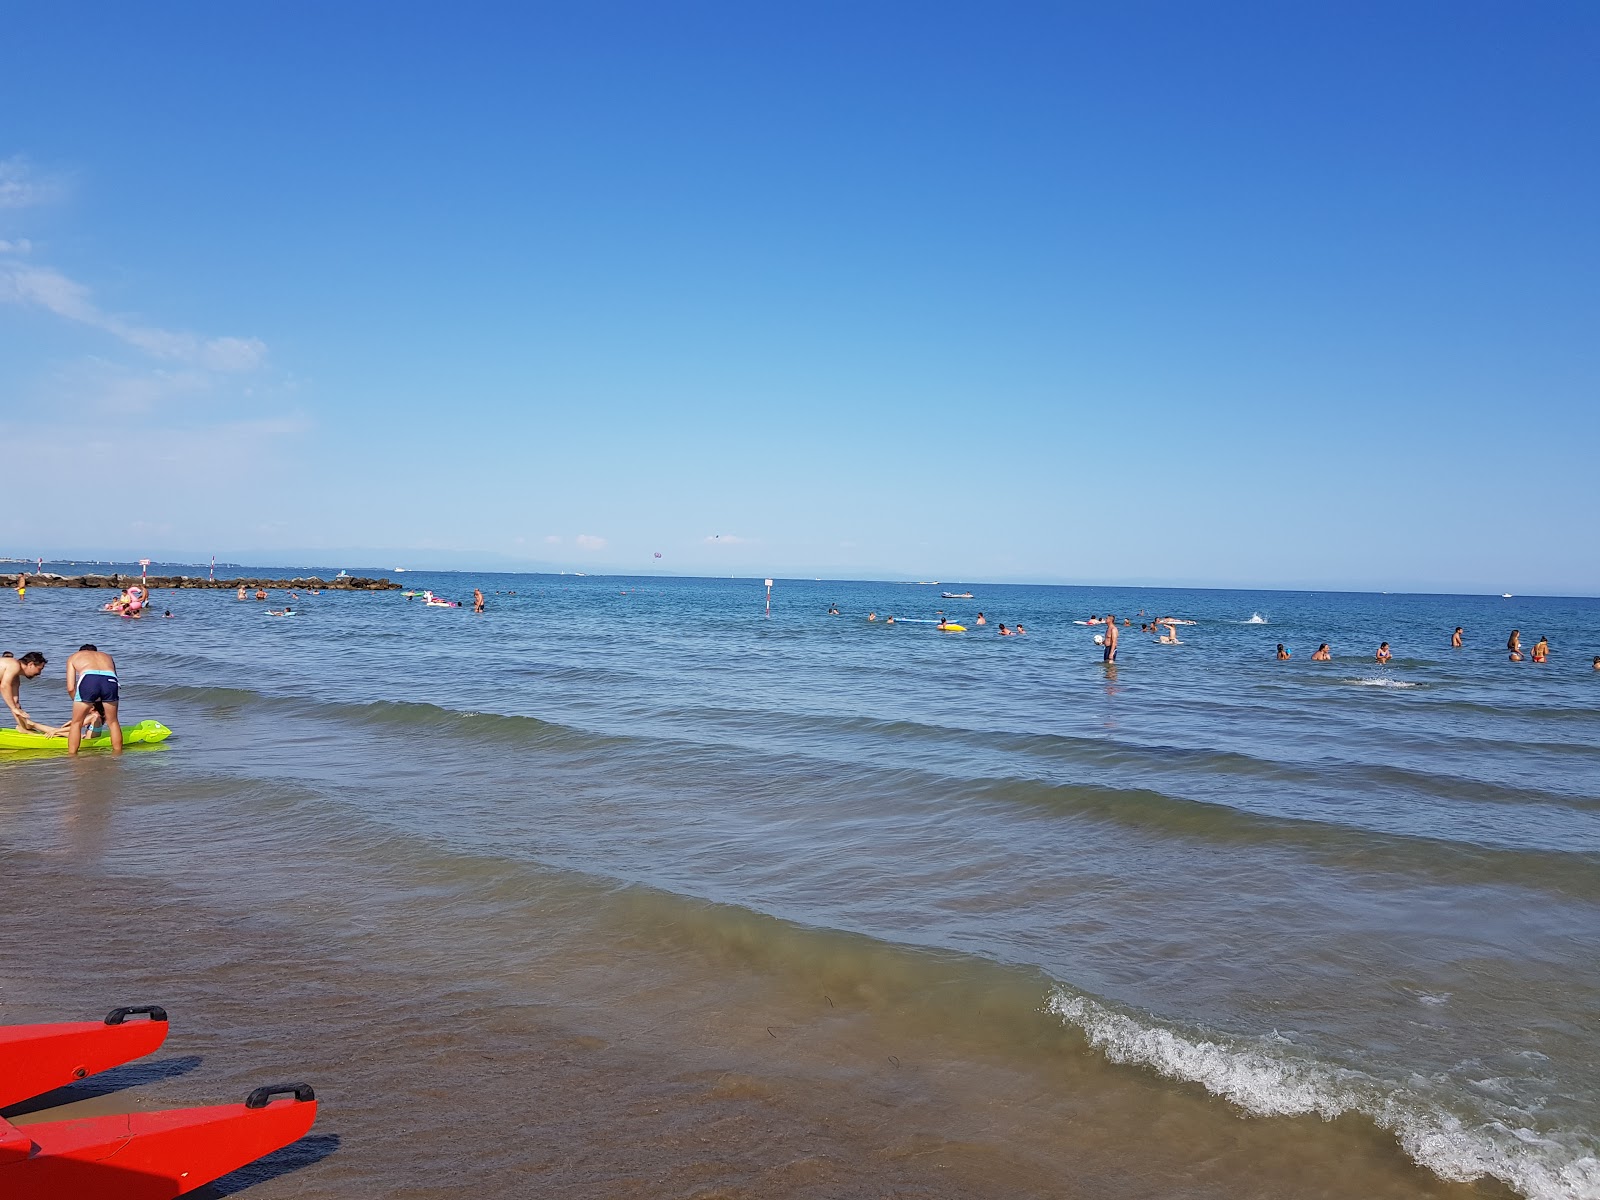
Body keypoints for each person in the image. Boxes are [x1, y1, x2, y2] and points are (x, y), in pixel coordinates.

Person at [65, 644, 122, 754]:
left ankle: (72, 756)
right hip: (110, 680)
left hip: (89, 679)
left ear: (81, 651)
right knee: (113, 722)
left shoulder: (74, 656)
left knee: (76, 723)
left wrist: (78, 700)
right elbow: (112, 677)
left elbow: (70, 688)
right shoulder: (107, 656)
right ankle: (118, 754)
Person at [2, 651, 63, 735]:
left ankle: (24, 729)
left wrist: (24, 726)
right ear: (31, 664)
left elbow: (15, 703)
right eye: (39, 669)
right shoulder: (14, 665)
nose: (39, 673)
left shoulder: (15, 677)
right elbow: (4, 686)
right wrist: (14, 708)